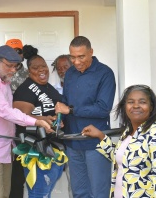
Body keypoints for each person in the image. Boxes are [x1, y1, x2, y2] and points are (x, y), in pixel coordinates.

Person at [0, 45, 53, 198]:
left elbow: (11, 109)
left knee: (5, 195)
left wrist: (40, 118)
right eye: (9, 66)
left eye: (15, 67)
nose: (13, 71)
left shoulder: (4, 79)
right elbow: (5, 111)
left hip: (6, 148)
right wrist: (36, 122)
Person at [81, 85, 156, 198]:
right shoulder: (129, 132)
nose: (136, 106)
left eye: (142, 102)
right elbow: (125, 160)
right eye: (131, 102)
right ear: (124, 107)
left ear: (151, 107)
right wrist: (101, 136)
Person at [55, 36, 116, 198]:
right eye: (72, 57)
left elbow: (103, 108)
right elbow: (65, 103)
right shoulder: (70, 74)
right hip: (73, 141)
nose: (76, 61)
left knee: (98, 192)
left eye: (81, 56)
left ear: (91, 52)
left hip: (96, 143)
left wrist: (71, 110)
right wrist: (60, 120)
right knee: (79, 192)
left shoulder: (105, 73)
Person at [13, 45, 66, 198]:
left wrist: (57, 121)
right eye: (36, 68)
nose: (41, 70)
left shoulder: (49, 87)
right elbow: (20, 117)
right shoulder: (25, 89)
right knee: (39, 194)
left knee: (45, 193)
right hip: (35, 150)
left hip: (53, 147)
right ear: (29, 71)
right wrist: (43, 121)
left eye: (44, 66)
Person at [6, 39, 29, 198]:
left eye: (18, 51)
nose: (16, 54)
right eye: (12, 51)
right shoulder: (0, 73)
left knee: (19, 175)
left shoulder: (30, 73)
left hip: (23, 127)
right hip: (2, 127)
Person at [51, 54, 73, 198]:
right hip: (56, 141)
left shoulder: (79, 88)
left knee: (74, 180)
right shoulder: (52, 90)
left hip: (74, 139)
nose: (62, 71)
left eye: (65, 67)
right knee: (53, 179)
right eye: (59, 68)